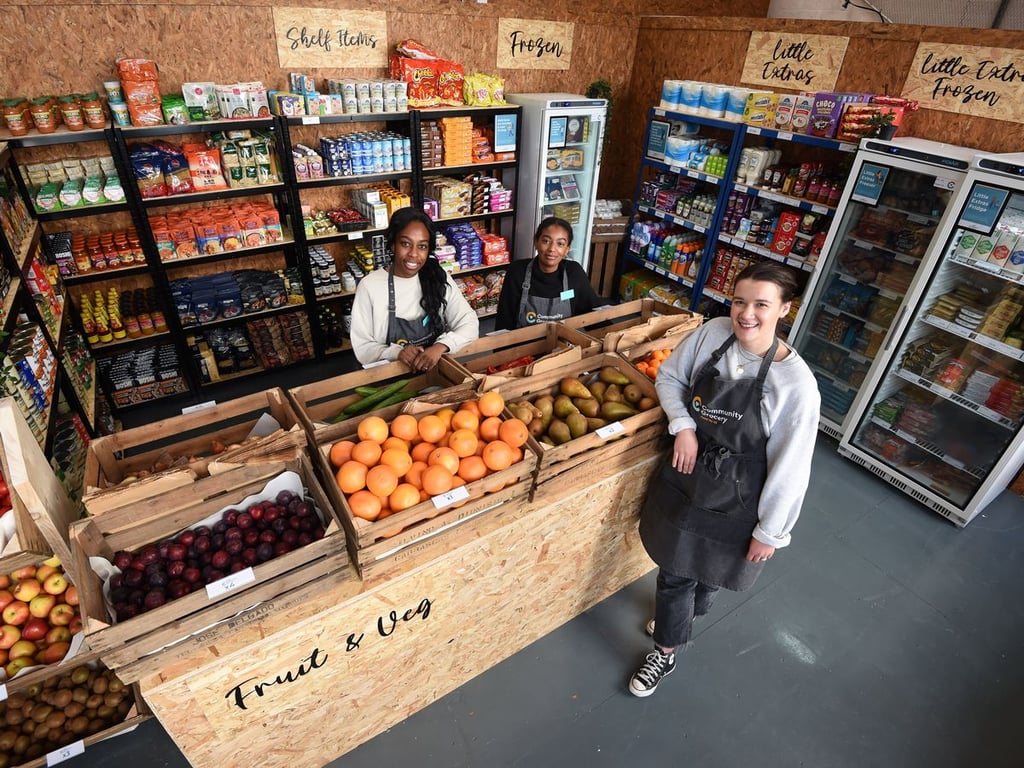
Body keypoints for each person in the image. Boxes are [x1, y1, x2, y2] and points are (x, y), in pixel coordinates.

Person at [629, 261, 820, 698]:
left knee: (709, 572)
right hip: (687, 476)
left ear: (784, 309)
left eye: (761, 305)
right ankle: (666, 650)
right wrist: (683, 425)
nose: (745, 314)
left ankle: (681, 617)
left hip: (738, 495)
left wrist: (772, 531)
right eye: (738, 301)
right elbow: (671, 376)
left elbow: (792, 467)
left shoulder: (795, 386)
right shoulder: (713, 334)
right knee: (676, 570)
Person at [350, 208, 479, 371]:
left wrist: (441, 346)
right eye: (405, 244)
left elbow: (469, 322)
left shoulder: (437, 278)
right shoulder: (370, 286)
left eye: (422, 246)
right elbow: (363, 346)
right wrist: (396, 352)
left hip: (434, 370)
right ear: (393, 245)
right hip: (389, 376)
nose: (414, 254)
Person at [494, 217, 599, 330]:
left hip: (563, 340)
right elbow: (504, 321)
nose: (552, 249)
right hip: (524, 341)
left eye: (560, 244)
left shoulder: (574, 273)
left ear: (567, 249)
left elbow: (594, 314)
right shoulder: (517, 272)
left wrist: (608, 336)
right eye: (546, 241)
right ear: (536, 242)